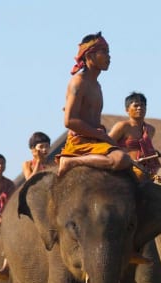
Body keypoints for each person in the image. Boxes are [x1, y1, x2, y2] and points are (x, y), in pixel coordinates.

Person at [57, 32, 133, 176]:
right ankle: (71, 162)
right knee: (120, 159)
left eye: (108, 52)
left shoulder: (97, 85)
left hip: (95, 141)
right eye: (104, 52)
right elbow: (69, 121)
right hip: (80, 142)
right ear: (89, 56)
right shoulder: (78, 82)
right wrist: (102, 136)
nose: (108, 56)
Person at [107, 92, 161, 182]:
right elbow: (107, 144)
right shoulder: (122, 126)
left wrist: (153, 153)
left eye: (142, 105)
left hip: (148, 167)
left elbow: (144, 148)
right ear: (127, 110)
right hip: (127, 167)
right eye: (136, 106)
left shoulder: (150, 129)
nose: (140, 108)